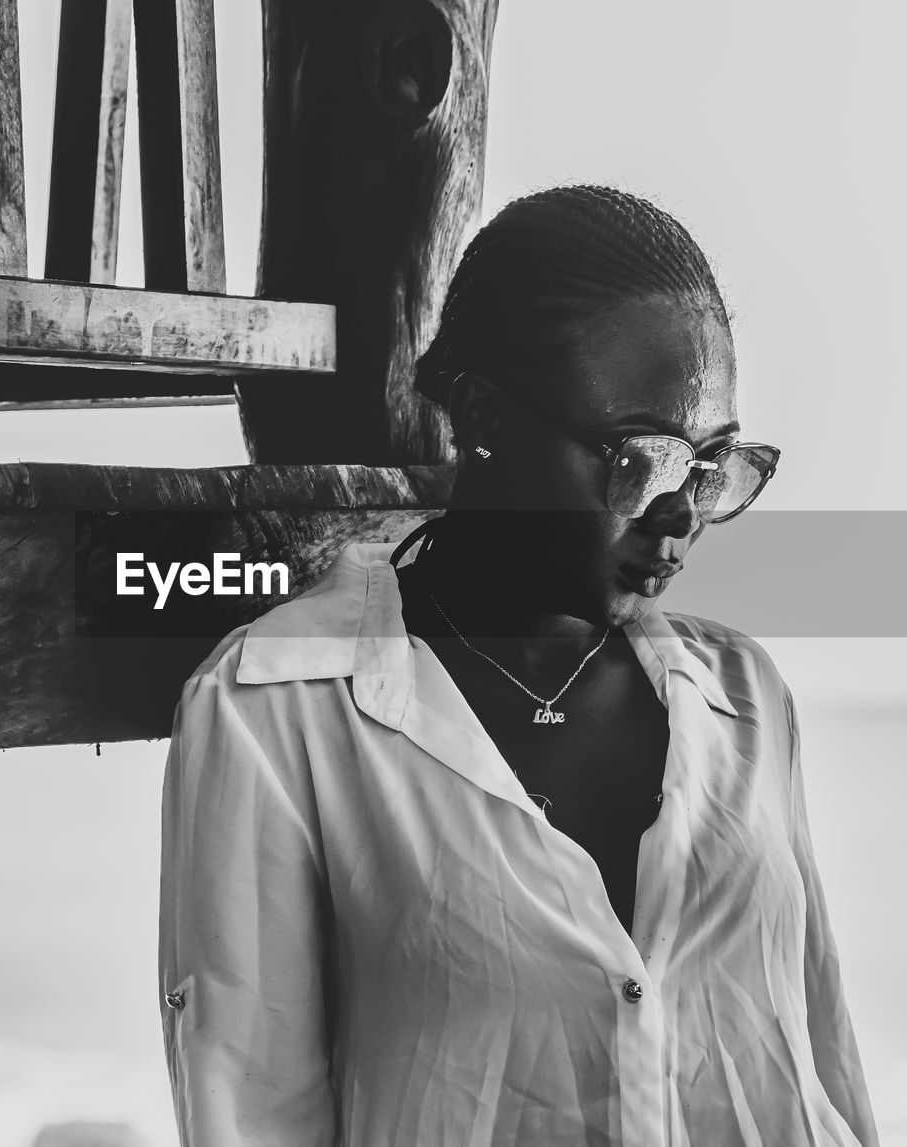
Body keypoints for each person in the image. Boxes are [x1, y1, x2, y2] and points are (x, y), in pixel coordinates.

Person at [156, 185, 880, 1146]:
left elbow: (821, 1060)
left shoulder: (746, 699)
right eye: (640, 461)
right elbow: (251, 1111)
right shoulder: (276, 713)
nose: (684, 515)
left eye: (711, 467)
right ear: (483, 417)